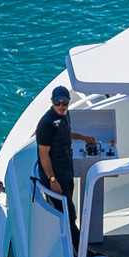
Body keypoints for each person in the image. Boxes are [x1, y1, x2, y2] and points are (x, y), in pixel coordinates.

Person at [35, 84, 91, 223]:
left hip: (66, 173)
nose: (61, 106)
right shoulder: (47, 125)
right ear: (52, 102)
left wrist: (84, 137)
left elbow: (65, 134)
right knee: (68, 215)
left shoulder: (65, 115)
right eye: (57, 103)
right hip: (56, 178)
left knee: (68, 211)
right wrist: (52, 180)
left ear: (69, 101)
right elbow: (43, 155)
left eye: (64, 103)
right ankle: (76, 243)